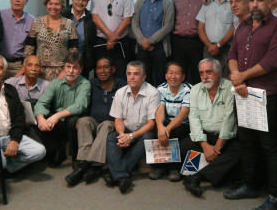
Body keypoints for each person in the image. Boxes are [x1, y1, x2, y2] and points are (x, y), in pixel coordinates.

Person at [225, 0, 277, 210]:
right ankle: (250, 185)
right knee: (247, 142)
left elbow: (272, 61)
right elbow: (231, 55)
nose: (254, 4)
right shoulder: (241, 26)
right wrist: (236, 77)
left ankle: (274, 196)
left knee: (270, 147)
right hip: (242, 94)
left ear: (271, 2)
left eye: (260, 0)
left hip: (266, 95)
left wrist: (242, 76)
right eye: (251, 0)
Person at [180, 58, 239, 198]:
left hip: (224, 138)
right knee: (182, 146)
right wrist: (205, 145)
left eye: (209, 72)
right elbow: (193, 118)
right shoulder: (195, 89)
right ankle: (216, 173)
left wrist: (217, 147)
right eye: (201, 73)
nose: (205, 77)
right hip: (205, 137)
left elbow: (229, 119)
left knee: (240, 151)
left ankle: (196, 177)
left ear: (219, 73)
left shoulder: (230, 88)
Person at [64, 56, 126, 187]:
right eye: (99, 68)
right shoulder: (91, 83)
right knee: (83, 121)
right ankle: (88, 162)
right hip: (94, 121)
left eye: (106, 67)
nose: (102, 71)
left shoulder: (122, 86)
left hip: (112, 123)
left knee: (107, 125)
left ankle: (84, 167)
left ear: (113, 69)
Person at [105, 60, 159, 194]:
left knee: (148, 137)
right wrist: (122, 134)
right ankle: (122, 176)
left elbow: (152, 123)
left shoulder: (153, 93)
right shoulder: (120, 92)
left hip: (142, 132)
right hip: (126, 130)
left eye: (136, 74)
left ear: (144, 77)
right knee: (112, 137)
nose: (132, 77)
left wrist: (131, 136)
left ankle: (116, 174)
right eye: (129, 74)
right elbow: (117, 118)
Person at [34, 52, 91, 167]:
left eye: (75, 68)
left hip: (76, 118)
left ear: (81, 69)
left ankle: (76, 158)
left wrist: (57, 116)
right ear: (64, 68)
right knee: (44, 117)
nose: (70, 71)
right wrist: (40, 118)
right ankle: (54, 152)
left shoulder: (85, 84)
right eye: (68, 67)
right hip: (59, 121)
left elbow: (79, 106)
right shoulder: (55, 83)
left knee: (72, 120)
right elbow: (41, 103)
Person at [148, 61, 191, 182]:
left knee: (173, 132)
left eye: (177, 74)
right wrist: (161, 127)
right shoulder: (161, 88)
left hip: (184, 124)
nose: (173, 76)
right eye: (170, 73)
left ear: (183, 77)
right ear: (166, 75)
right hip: (167, 121)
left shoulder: (188, 90)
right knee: (155, 130)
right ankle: (159, 167)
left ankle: (173, 168)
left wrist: (167, 129)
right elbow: (160, 109)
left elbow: (183, 114)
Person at [131, 0, 174, 87]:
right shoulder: (140, 2)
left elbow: (168, 26)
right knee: (143, 78)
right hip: (141, 46)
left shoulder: (167, 3)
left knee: (160, 79)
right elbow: (134, 23)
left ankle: (159, 104)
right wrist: (142, 41)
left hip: (160, 47)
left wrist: (149, 41)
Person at [24, 0, 78, 81]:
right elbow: (29, 48)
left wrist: (67, 70)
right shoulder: (37, 22)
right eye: (50, 4)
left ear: (62, 6)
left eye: (57, 4)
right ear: (46, 5)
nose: (53, 7)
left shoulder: (69, 23)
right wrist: (26, 67)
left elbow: (74, 51)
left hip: (62, 72)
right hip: (39, 71)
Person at [92, 0, 134, 79]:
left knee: (121, 73)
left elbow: (127, 19)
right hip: (102, 42)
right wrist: (111, 37)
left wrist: (114, 38)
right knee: (102, 74)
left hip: (121, 43)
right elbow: (95, 18)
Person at [171, 0, 207, 84]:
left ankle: (195, 100)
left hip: (196, 41)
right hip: (178, 42)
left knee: (197, 74)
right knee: (178, 74)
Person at [196, 0, 234, 77]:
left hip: (227, 49)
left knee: (226, 80)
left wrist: (218, 45)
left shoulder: (233, 1)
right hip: (208, 49)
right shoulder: (207, 2)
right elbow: (200, 28)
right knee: (208, 79)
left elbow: (234, 27)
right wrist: (210, 46)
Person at [0, 0, 34, 78]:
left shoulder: (32, 20)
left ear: (26, 1)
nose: (17, 0)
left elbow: (32, 46)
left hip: (18, 65)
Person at [62, 0, 96, 78]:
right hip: (62, 62)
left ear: (87, 2)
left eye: (84, 0)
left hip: (82, 64)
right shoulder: (62, 14)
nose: (80, 2)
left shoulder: (91, 18)